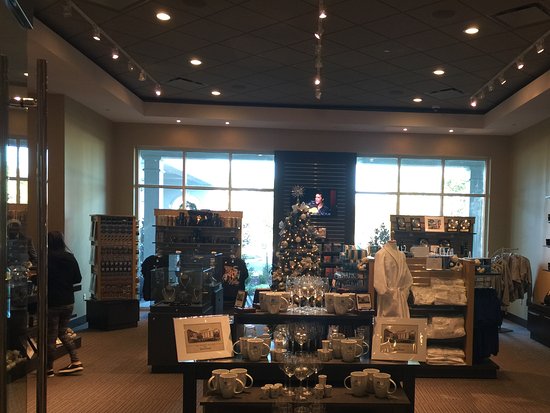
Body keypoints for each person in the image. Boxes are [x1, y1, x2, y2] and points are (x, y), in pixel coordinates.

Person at [47, 231, 83, 377]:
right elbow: (78, 278)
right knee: (62, 332)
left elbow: (41, 278)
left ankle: (48, 368)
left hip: (52, 301)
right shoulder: (70, 257)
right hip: (68, 300)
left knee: (51, 335)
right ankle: (75, 361)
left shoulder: (47, 258)